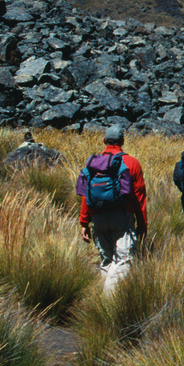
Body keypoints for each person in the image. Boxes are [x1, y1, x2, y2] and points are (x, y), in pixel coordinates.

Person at [77, 125, 148, 293]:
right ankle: (110, 303)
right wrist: (142, 223)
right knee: (123, 260)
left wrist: (84, 222)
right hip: (122, 217)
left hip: (98, 217)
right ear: (122, 141)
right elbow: (139, 197)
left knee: (107, 260)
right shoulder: (131, 162)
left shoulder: (94, 162)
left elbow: (86, 196)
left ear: (104, 140)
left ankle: (102, 299)